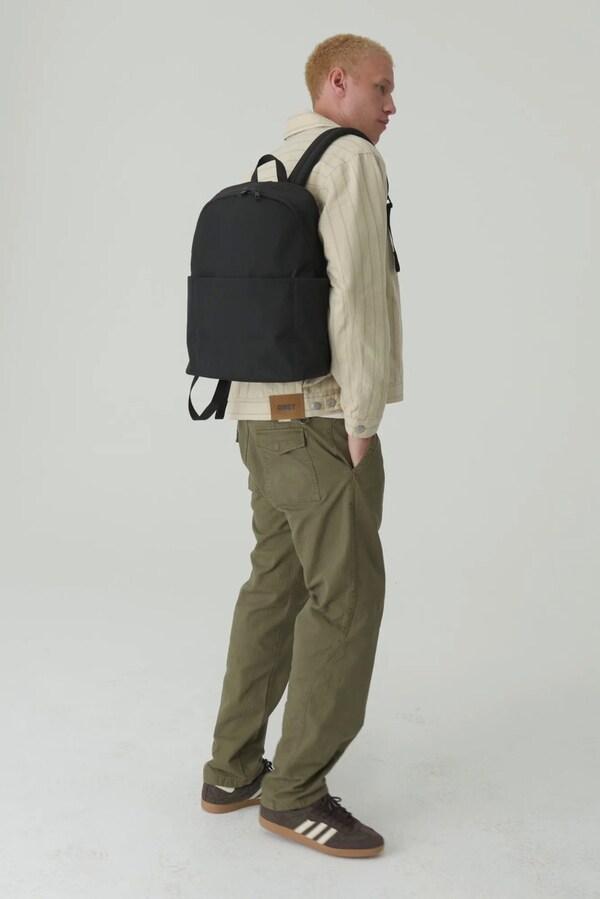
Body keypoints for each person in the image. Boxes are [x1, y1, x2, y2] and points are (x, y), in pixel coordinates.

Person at [200, 33, 403, 858]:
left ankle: (231, 770)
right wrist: (362, 419)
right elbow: (355, 294)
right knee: (346, 599)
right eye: (382, 88)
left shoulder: (279, 162)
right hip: (320, 421)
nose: (392, 106)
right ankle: (295, 793)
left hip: (258, 418)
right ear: (338, 81)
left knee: (274, 586)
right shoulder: (349, 159)